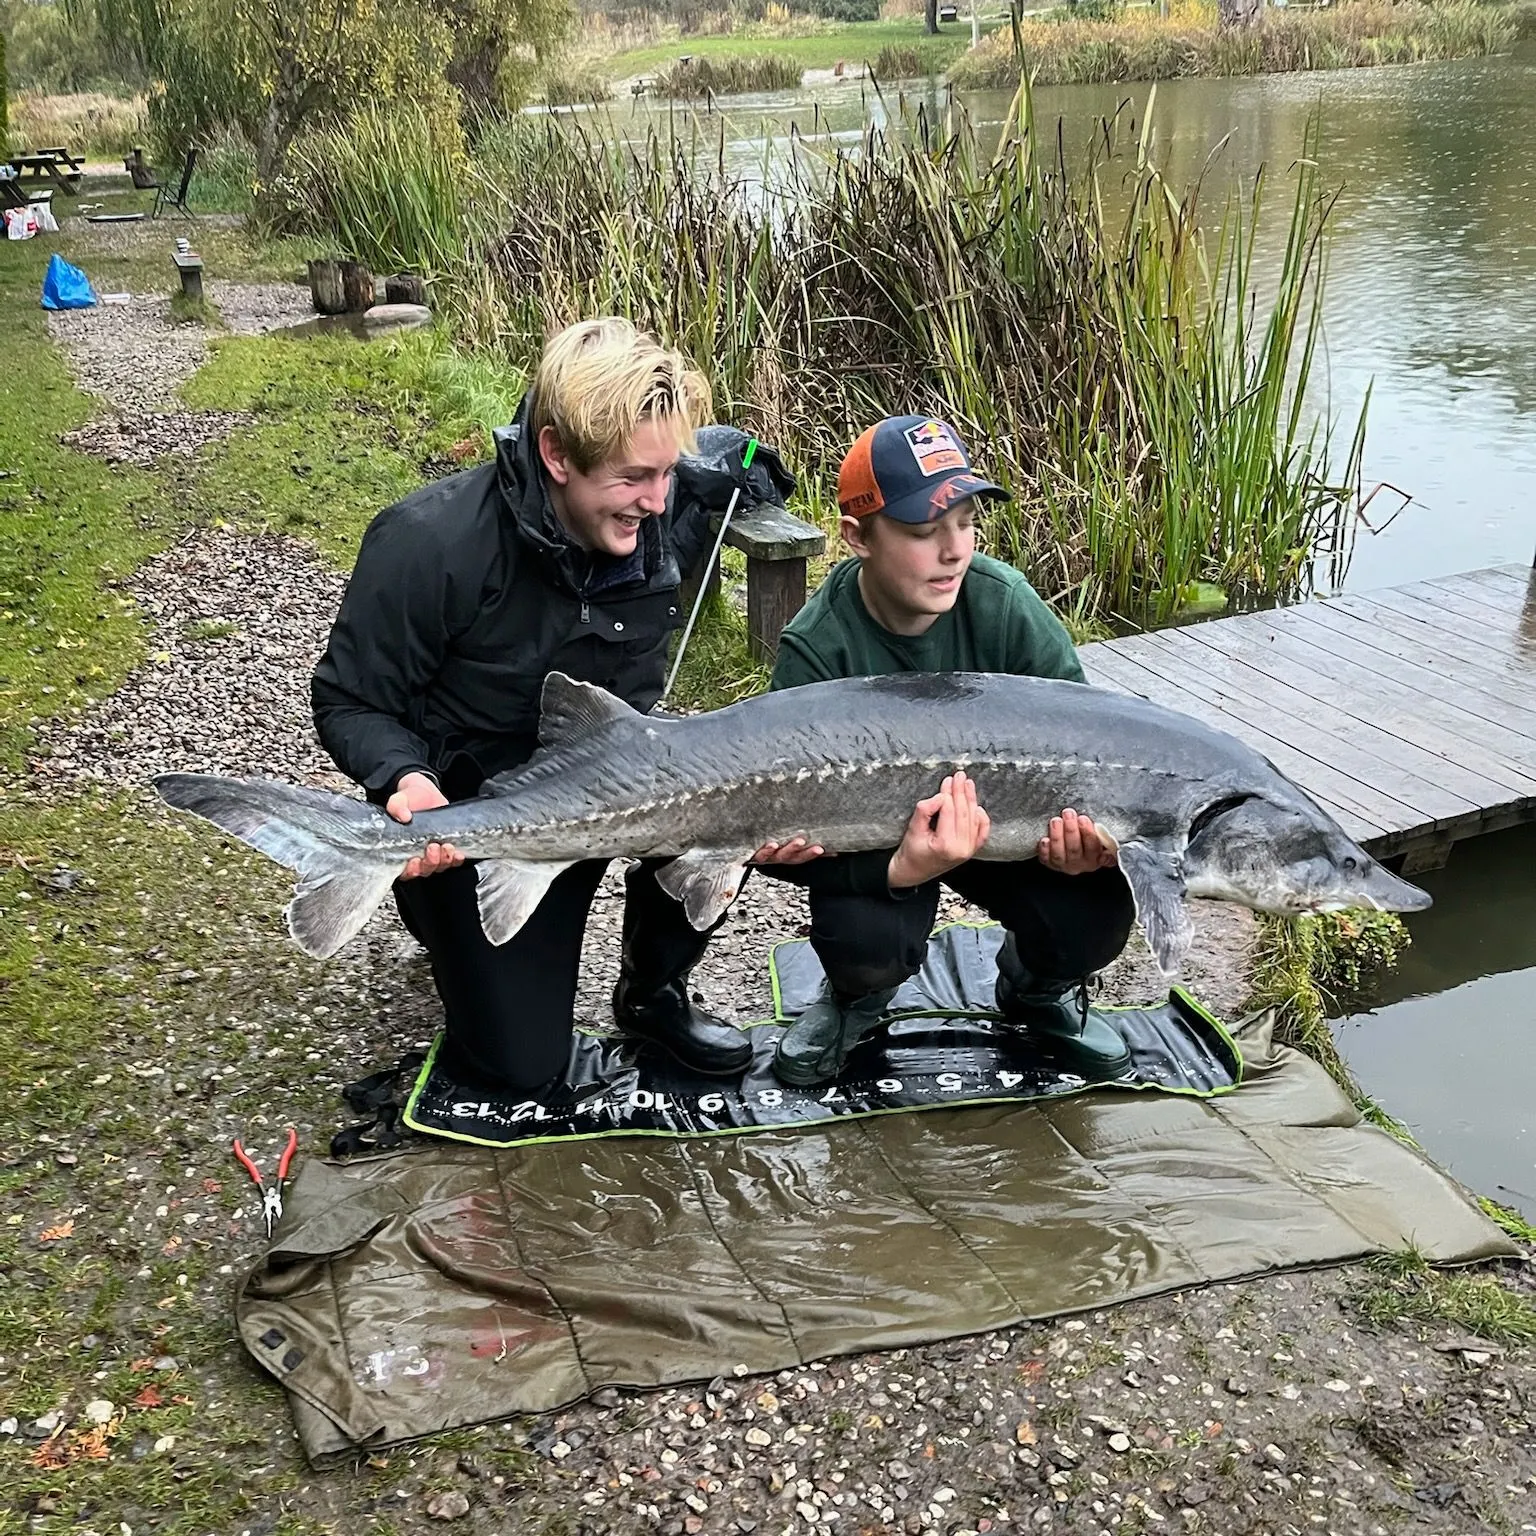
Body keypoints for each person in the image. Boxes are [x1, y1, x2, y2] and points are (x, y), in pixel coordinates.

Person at [311, 318, 798, 1098]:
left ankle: (651, 991)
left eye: (669, 472)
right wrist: (403, 780)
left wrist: (741, 466)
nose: (657, 499)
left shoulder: (658, 514)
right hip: (460, 794)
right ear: (555, 455)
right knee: (520, 1069)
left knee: (734, 797)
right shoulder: (427, 543)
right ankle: (433, 907)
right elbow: (348, 699)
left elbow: (717, 470)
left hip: (601, 780)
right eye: (635, 477)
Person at [759, 414, 1137, 1088]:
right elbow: (781, 842)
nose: (953, 549)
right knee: (862, 940)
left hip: (1012, 832)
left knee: (1101, 907)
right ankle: (856, 1000)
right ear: (858, 538)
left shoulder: (1007, 609)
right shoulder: (818, 649)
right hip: (885, 843)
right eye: (922, 531)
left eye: (964, 522)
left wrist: (1088, 845)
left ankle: (1038, 991)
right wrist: (901, 868)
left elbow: (1091, 754)